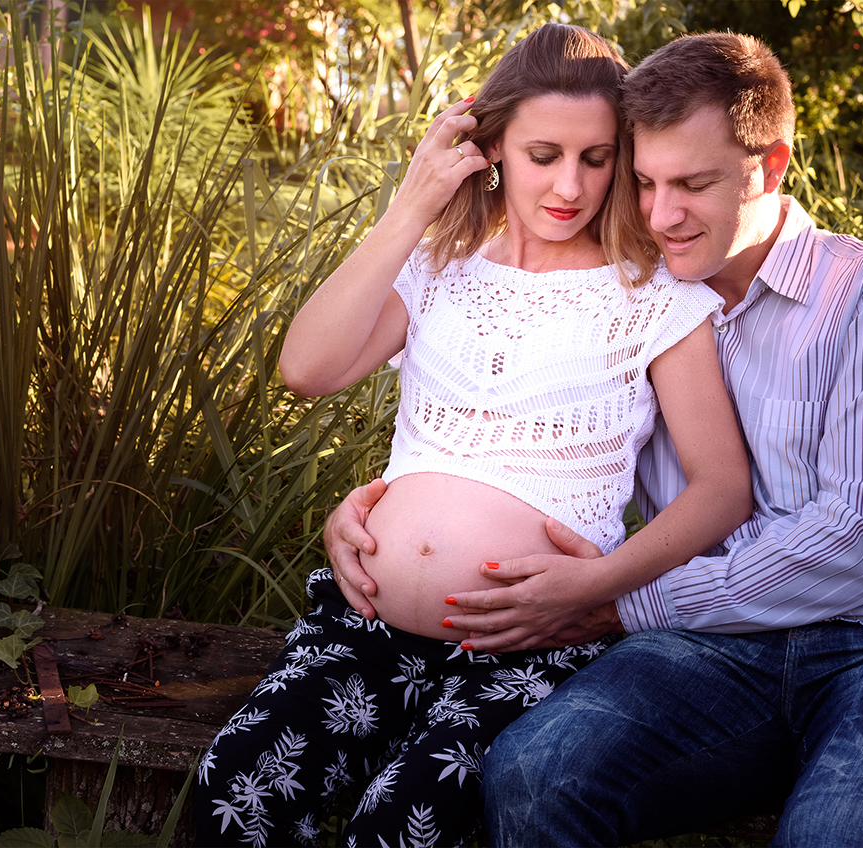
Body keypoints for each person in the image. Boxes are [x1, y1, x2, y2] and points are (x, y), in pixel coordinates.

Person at [325, 31, 863, 848]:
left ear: (774, 164)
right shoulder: (637, 294)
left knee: (838, 834)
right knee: (537, 775)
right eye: (645, 182)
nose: (661, 213)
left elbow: (860, 542)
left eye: (694, 184)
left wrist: (619, 601)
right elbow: (507, 420)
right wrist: (382, 504)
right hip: (713, 652)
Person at [193, 23, 753, 848]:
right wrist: (412, 206)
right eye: (543, 154)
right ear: (491, 147)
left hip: (527, 645)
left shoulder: (653, 298)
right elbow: (308, 369)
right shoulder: (440, 266)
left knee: (402, 822)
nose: (570, 184)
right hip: (367, 630)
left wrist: (598, 589)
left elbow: (722, 489)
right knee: (234, 789)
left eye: (596, 158)